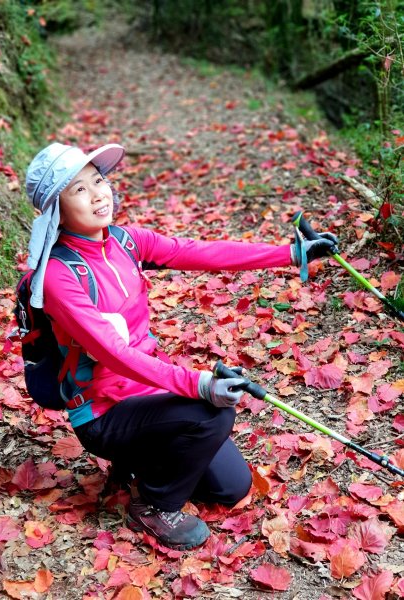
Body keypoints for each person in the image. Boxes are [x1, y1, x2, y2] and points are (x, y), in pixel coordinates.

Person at [25, 142, 337, 550]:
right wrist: (199, 384)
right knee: (211, 414)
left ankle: (142, 461)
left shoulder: (125, 242)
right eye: (79, 190)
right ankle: (154, 506)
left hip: (148, 393)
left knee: (230, 487)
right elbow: (115, 354)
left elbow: (199, 252)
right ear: (55, 210)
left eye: (98, 180)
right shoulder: (57, 278)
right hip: (104, 411)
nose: (99, 193)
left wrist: (290, 253)